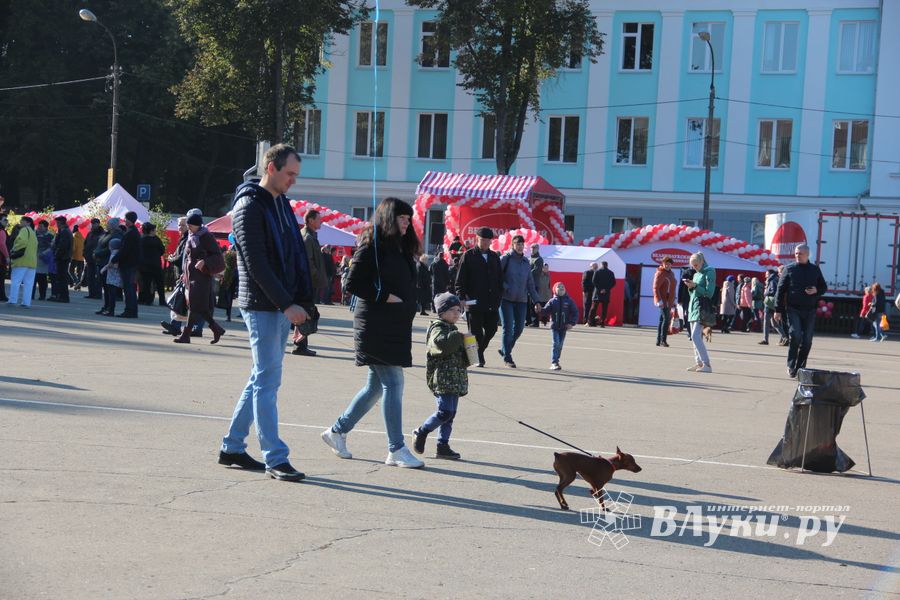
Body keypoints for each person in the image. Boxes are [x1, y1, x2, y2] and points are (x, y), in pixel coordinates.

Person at [220, 143, 312, 482]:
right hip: (262, 305)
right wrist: (287, 304)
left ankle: (231, 447)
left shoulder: (281, 206)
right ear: (270, 168)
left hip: (278, 304)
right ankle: (275, 457)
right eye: (290, 174)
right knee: (268, 381)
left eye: (296, 175)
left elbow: (294, 256)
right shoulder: (248, 207)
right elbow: (256, 264)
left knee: (261, 378)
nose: (293, 181)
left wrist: (301, 301)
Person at [321, 197, 424, 469]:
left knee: (375, 387)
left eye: (408, 219)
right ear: (390, 218)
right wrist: (383, 296)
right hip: (375, 326)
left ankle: (337, 431)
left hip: (395, 326)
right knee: (394, 382)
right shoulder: (372, 245)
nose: (407, 223)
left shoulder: (400, 248)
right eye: (402, 218)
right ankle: (396, 448)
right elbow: (353, 283)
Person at [411, 291, 468, 460]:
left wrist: (469, 348)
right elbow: (441, 345)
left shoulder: (452, 329)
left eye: (459, 310)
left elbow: (461, 357)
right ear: (441, 312)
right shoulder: (437, 328)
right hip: (442, 378)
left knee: (450, 414)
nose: (457, 313)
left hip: (454, 378)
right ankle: (421, 431)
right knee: (444, 412)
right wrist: (458, 337)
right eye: (452, 310)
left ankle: (443, 445)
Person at [774, 244, 827, 378]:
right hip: (793, 309)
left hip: (810, 309)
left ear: (807, 255)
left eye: (800, 253)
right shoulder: (789, 269)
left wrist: (817, 290)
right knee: (795, 335)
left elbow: (823, 287)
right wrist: (778, 310)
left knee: (807, 340)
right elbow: (780, 290)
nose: (797, 255)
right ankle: (791, 365)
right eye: (796, 253)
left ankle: (800, 367)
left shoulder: (814, 270)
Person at [174, 214, 227, 345]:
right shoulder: (191, 236)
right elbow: (188, 258)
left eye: (191, 225)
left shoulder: (206, 237)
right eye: (188, 225)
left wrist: (204, 261)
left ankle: (186, 334)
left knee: (194, 305)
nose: (189, 228)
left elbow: (217, 255)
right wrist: (184, 273)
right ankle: (216, 329)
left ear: (198, 225)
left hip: (202, 276)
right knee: (199, 306)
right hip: (191, 276)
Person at [455, 227, 503, 367]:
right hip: (474, 301)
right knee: (476, 333)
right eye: (483, 240)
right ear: (477, 239)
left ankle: (479, 351)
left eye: (488, 240)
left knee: (492, 329)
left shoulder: (494, 257)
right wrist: (461, 297)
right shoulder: (469, 256)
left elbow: (500, 278)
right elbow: (460, 279)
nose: (485, 243)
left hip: (492, 302)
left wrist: (499, 295)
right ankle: (477, 357)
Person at [498, 234, 540, 368]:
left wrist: (537, 301)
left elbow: (530, 283)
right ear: (512, 245)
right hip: (506, 299)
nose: (520, 246)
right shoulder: (506, 259)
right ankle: (508, 357)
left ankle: (505, 349)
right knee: (508, 328)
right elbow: (496, 276)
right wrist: (505, 287)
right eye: (518, 244)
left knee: (519, 328)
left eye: (522, 244)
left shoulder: (526, 262)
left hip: (521, 300)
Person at [292, 209, 326, 357]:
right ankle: (300, 345)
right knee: (305, 313)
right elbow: (308, 263)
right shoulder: (308, 237)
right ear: (311, 220)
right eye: (319, 219)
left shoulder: (310, 235)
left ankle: (301, 344)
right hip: (307, 282)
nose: (321, 222)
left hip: (308, 281)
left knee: (306, 312)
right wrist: (316, 277)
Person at [683, 252, 716, 373]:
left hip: (701, 307)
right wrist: (690, 287)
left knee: (695, 336)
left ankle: (707, 364)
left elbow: (709, 293)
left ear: (702, 261)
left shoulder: (710, 271)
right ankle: (699, 363)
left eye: (696, 265)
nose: (694, 268)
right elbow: (693, 293)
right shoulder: (697, 274)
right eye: (692, 266)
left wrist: (695, 286)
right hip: (693, 306)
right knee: (695, 337)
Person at [539, 281, 579, 370]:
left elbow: (575, 312)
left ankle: (557, 360)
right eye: (559, 287)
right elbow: (545, 311)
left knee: (560, 345)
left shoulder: (569, 301)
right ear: (554, 290)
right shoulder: (552, 301)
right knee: (555, 343)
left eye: (563, 287)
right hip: (555, 327)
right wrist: (539, 310)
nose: (561, 288)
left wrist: (572, 323)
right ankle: (554, 362)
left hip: (564, 327)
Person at [113, 211, 141, 318]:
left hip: (128, 264)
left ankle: (129, 310)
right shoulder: (134, 232)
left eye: (125, 219)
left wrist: (114, 259)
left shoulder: (130, 233)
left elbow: (124, 249)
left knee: (128, 288)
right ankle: (132, 310)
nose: (124, 221)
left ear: (129, 220)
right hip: (132, 264)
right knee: (130, 288)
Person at [93, 218, 123, 316]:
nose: (107, 225)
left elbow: (110, 248)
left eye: (109, 224)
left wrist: (98, 253)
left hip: (108, 262)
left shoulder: (117, 235)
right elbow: (100, 244)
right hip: (101, 261)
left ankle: (109, 307)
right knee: (105, 287)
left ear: (114, 225)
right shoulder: (107, 233)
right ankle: (106, 306)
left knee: (109, 288)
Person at [6, 216, 37, 307]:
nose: (20, 223)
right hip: (32, 262)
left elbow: (22, 242)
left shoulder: (24, 230)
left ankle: (13, 300)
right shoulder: (33, 232)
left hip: (21, 260)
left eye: (22, 221)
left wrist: (13, 249)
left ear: (28, 223)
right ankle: (26, 302)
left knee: (16, 281)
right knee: (28, 284)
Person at [138, 223, 167, 306]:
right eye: (154, 230)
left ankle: (147, 300)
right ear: (151, 231)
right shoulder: (156, 239)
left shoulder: (141, 239)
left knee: (147, 283)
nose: (155, 231)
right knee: (160, 283)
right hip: (156, 264)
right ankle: (162, 300)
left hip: (145, 265)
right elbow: (162, 250)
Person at [653, 256, 677, 347]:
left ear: (671, 265)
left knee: (662, 320)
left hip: (669, 301)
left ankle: (658, 340)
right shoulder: (660, 273)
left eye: (669, 264)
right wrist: (659, 300)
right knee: (666, 320)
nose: (667, 265)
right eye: (665, 263)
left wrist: (673, 299)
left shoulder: (671, 274)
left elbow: (672, 288)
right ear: (662, 263)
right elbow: (655, 288)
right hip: (663, 301)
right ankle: (663, 340)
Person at [48, 216, 73, 302]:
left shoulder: (64, 231)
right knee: (61, 277)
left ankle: (63, 297)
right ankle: (61, 296)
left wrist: (56, 255)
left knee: (61, 278)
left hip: (63, 257)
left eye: (57, 223)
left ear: (60, 223)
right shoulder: (66, 231)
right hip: (64, 256)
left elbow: (62, 245)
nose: (56, 224)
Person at [760, 269, 784, 345]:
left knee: (766, 321)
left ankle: (765, 339)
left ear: (770, 274)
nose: (765, 275)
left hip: (770, 302)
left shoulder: (772, 280)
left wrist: (766, 292)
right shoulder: (776, 279)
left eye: (766, 273)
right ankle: (784, 337)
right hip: (773, 303)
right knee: (774, 323)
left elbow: (774, 291)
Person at [81, 218, 103, 299]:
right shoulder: (90, 233)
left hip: (97, 259)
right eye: (92, 223)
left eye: (95, 223)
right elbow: (85, 244)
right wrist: (84, 253)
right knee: (90, 277)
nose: (93, 225)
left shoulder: (102, 234)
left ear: (98, 224)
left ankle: (98, 294)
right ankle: (91, 293)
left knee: (98, 277)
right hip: (89, 258)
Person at [100, 238, 123, 314]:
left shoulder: (114, 254)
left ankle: (111, 310)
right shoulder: (117, 253)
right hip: (114, 277)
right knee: (111, 294)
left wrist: (104, 268)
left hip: (113, 277)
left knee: (111, 294)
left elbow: (114, 264)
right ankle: (110, 309)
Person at [589, 261, 616, 327]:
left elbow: (594, 281)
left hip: (597, 292)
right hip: (606, 293)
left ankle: (591, 322)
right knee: (604, 309)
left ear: (601, 265)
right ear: (607, 265)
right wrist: (606, 289)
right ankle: (602, 323)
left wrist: (600, 289)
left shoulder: (597, 272)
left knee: (594, 308)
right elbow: (613, 283)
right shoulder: (611, 273)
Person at [33, 220, 53, 301]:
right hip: (34, 259)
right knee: (33, 278)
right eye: (39, 226)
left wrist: (44, 253)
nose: (39, 228)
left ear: (46, 227)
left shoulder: (49, 236)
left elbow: (52, 247)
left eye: (41, 226)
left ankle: (42, 295)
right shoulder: (34, 234)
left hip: (43, 259)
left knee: (42, 279)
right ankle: (31, 295)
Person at [526, 243, 544, 326]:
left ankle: (535, 321)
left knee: (534, 303)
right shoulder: (529, 259)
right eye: (531, 248)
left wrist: (525, 273)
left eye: (534, 248)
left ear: (537, 249)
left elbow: (536, 271)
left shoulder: (539, 259)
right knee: (527, 303)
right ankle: (529, 320)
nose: (533, 249)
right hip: (527, 284)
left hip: (535, 284)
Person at [678, 265, 696, 338]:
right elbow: (681, 286)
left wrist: (679, 299)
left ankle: (690, 332)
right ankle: (691, 333)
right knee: (692, 316)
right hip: (693, 297)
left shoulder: (685, 272)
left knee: (688, 315)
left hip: (687, 298)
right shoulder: (699, 273)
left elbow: (680, 287)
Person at [69, 223, 85, 288]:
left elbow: (73, 248)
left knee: (70, 270)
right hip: (82, 257)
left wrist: (70, 255)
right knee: (79, 272)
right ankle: (78, 284)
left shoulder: (74, 236)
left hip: (75, 256)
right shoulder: (83, 237)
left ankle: (77, 281)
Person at [0, 215, 8, 302]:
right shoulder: (2, 231)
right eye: (5, 220)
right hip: (1, 259)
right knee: (1, 278)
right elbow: (2, 244)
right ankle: (2, 296)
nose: (7, 222)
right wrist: (7, 256)